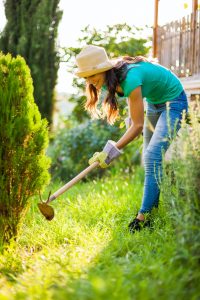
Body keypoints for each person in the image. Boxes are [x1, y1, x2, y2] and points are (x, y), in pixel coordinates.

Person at [75, 44, 188, 233]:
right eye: (86, 77)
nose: (89, 81)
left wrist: (109, 152)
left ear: (103, 69)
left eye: (92, 75)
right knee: (150, 157)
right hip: (154, 103)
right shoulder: (115, 79)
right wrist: (130, 119)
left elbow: (137, 126)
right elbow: (134, 116)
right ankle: (151, 211)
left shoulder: (129, 78)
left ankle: (143, 217)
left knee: (153, 156)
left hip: (174, 101)